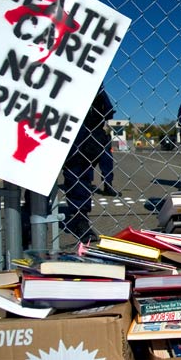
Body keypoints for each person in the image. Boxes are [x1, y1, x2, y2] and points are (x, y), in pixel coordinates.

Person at [61, 85, 114, 242]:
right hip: (72, 125)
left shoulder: (93, 84)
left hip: (86, 131)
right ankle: (31, 215)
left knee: (80, 173)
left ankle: (80, 217)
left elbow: (107, 110)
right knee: (77, 173)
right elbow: (107, 111)